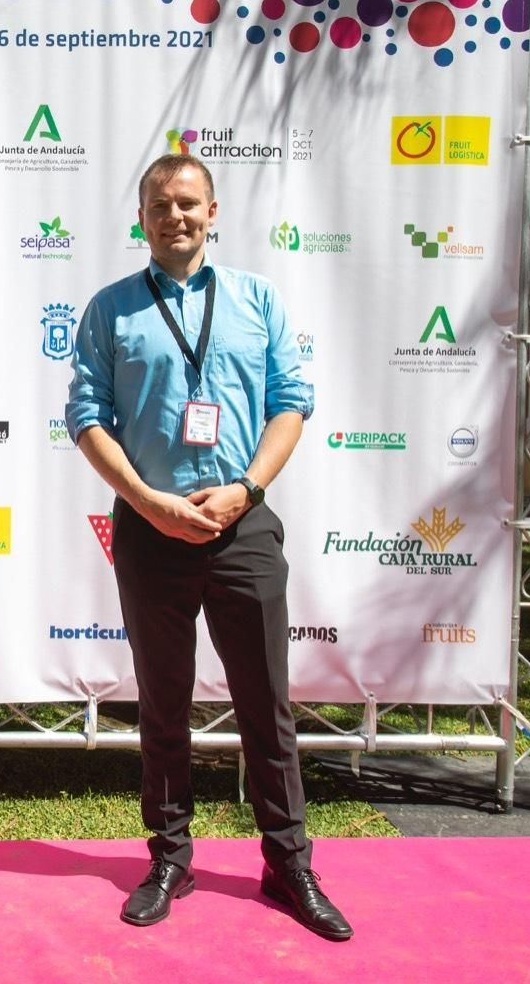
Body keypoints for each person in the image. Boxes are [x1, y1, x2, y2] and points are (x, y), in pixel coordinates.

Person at [64, 155, 352, 941]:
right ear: (142, 215)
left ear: (213, 210)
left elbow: (292, 403)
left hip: (242, 522)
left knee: (266, 701)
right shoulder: (111, 309)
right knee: (163, 701)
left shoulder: (256, 299)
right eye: (160, 204)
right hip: (150, 527)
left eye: (188, 204)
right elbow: (86, 416)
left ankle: (288, 859)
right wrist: (147, 501)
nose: (175, 216)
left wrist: (248, 490)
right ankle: (169, 856)